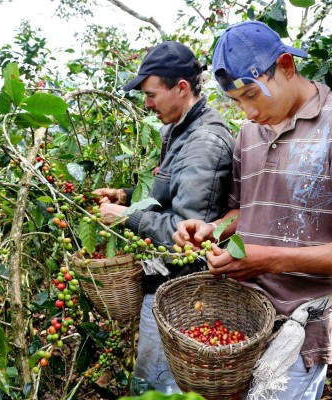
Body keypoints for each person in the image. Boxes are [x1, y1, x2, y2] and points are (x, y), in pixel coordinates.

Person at [172, 21, 332, 399]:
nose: (248, 111)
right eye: (237, 102)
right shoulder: (249, 135)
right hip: (242, 319)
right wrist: (213, 229)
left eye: (253, 95)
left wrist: (268, 260)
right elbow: (245, 211)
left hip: (299, 329)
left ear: (287, 66)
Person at [93, 41, 235, 394]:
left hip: (182, 291)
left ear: (182, 87)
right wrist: (127, 195)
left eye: (152, 94)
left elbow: (187, 236)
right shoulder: (181, 129)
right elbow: (169, 194)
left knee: (158, 386)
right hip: (166, 283)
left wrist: (126, 216)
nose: (147, 104)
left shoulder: (204, 141)